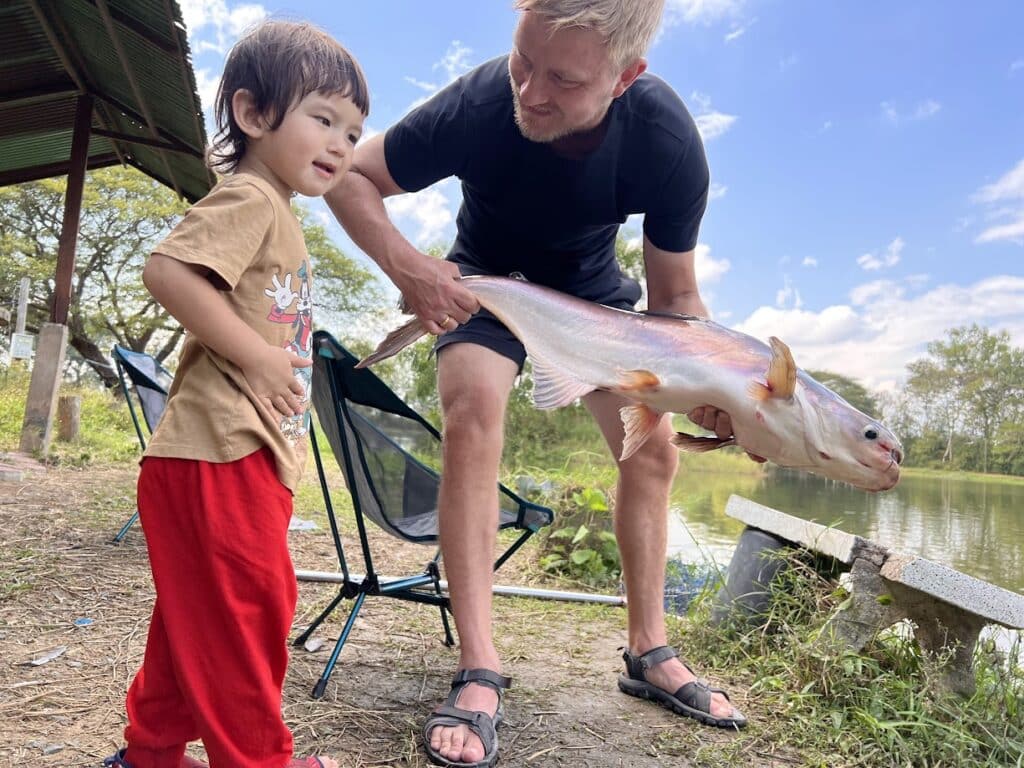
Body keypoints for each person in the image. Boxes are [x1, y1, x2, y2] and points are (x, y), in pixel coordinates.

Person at [327, 1, 749, 766]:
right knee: (473, 410)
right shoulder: (480, 100)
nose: (530, 91)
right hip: (484, 287)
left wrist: (708, 387)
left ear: (626, 78)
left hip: (593, 305)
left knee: (653, 451)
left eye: (563, 78)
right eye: (524, 61)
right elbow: (352, 177)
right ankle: (478, 665)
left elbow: (677, 303)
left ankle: (649, 651)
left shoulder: (663, 136)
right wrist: (412, 269)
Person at [103, 20, 368, 768]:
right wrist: (256, 358)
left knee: (198, 618)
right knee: (249, 615)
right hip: (218, 451)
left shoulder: (276, 212)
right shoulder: (251, 196)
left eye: (353, 130)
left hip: (236, 458)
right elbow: (168, 272)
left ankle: (150, 754)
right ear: (254, 115)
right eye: (323, 118)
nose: (341, 144)